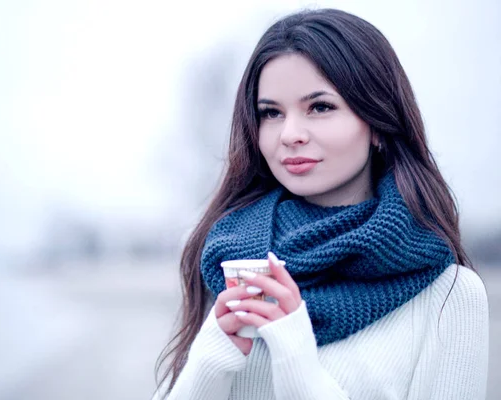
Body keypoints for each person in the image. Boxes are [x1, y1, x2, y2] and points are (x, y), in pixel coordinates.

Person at [153, 8, 489, 400]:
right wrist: (209, 363)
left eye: (320, 107)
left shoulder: (449, 294)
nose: (290, 134)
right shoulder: (231, 263)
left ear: (378, 123)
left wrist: (297, 361)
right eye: (271, 113)